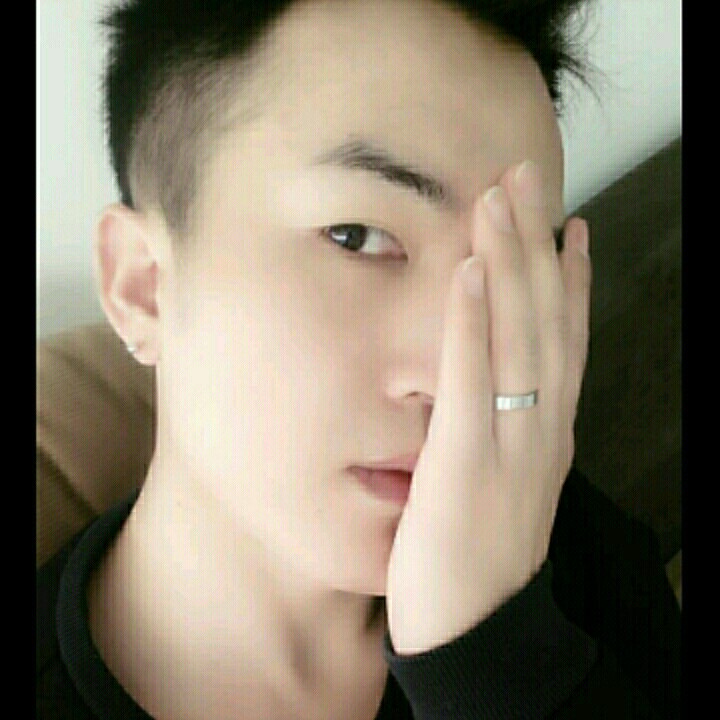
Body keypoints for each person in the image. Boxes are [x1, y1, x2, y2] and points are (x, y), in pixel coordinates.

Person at [36, 0, 682, 718]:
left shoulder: (566, 552)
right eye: (358, 237)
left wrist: (491, 655)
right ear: (142, 286)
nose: (458, 378)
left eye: (512, 271)